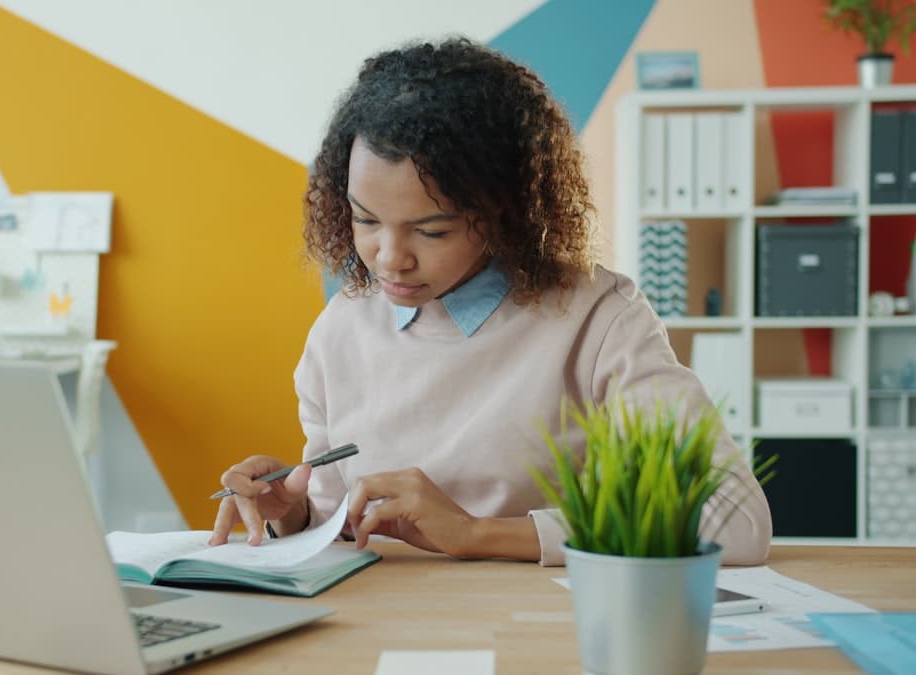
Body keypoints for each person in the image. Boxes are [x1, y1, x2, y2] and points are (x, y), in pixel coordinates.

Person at [208, 37, 772, 565]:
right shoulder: (341, 331)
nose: (389, 259)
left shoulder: (600, 321)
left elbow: (734, 523)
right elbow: (340, 528)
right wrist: (294, 513)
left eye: (431, 231)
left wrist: (480, 534)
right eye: (366, 220)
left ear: (507, 211)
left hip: (541, 634)